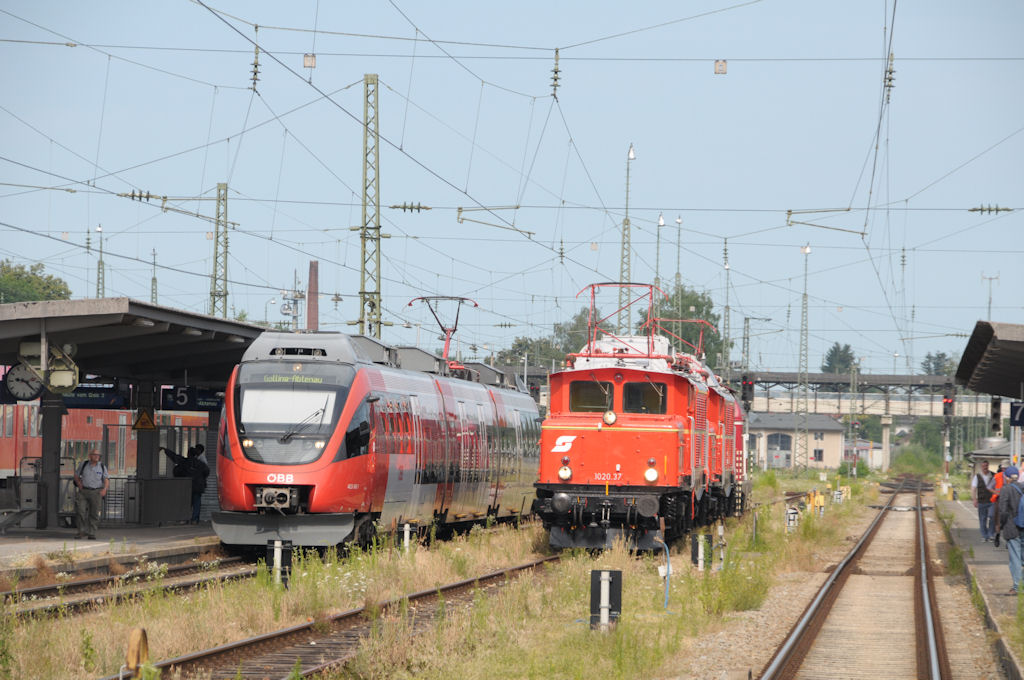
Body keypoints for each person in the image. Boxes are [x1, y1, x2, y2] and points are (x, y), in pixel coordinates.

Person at [161, 444, 210, 524]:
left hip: (187, 486)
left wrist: (165, 450)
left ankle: (184, 518)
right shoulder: (201, 464)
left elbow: (174, 457)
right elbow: (207, 472)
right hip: (198, 486)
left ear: (188, 454)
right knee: (197, 503)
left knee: (186, 503)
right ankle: (194, 519)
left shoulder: (184, 461)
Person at [994, 465, 1022, 595]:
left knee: (1015, 558)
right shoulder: (1022, 487)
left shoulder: (1006, 489)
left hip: (1012, 528)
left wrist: (1000, 527)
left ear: (1006, 478)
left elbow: (1003, 511)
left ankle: (1017, 587)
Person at [72, 449, 108, 539]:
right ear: (90, 455)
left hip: (96, 492)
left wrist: (105, 489)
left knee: (94, 513)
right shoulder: (83, 465)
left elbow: (106, 479)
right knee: (80, 511)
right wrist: (79, 483)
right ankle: (81, 531)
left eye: (98, 455)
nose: (97, 456)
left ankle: (91, 532)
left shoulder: (102, 466)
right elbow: (76, 475)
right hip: (83, 491)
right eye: (95, 455)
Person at [971, 459, 996, 541]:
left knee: (992, 517)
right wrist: (974, 499)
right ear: (981, 467)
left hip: (992, 501)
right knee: (982, 519)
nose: (985, 467)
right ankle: (984, 536)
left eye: (986, 466)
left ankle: (991, 534)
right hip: (981, 501)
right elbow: (973, 488)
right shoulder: (977, 476)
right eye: (983, 466)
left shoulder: (993, 475)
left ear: (988, 466)